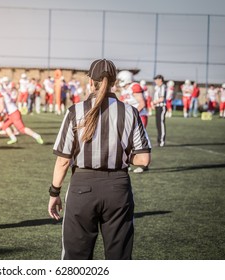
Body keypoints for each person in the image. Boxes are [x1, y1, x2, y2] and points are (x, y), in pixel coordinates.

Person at [48, 59, 151, 260]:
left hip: (82, 187)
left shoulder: (75, 111)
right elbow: (143, 159)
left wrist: (54, 193)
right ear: (114, 82)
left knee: (75, 260)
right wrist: (119, 154)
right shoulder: (130, 112)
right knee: (119, 258)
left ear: (91, 82)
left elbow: (63, 160)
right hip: (118, 188)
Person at [117, 70, 149, 173]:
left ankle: (144, 165)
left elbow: (142, 104)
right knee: (125, 142)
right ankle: (127, 164)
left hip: (139, 117)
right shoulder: (124, 90)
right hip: (130, 118)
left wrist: (132, 115)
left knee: (139, 142)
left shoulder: (134, 86)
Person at [153, 74, 167, 147]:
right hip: (157, 107)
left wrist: (154, 102)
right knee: (158, 124)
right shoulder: (157, 88)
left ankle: (162, 141)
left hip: (162, 107)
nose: (155, 81)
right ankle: (159, 141)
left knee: (161, 124)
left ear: (160, 80)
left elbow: (162, 98)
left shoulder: (163, 87)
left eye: (156, 79)